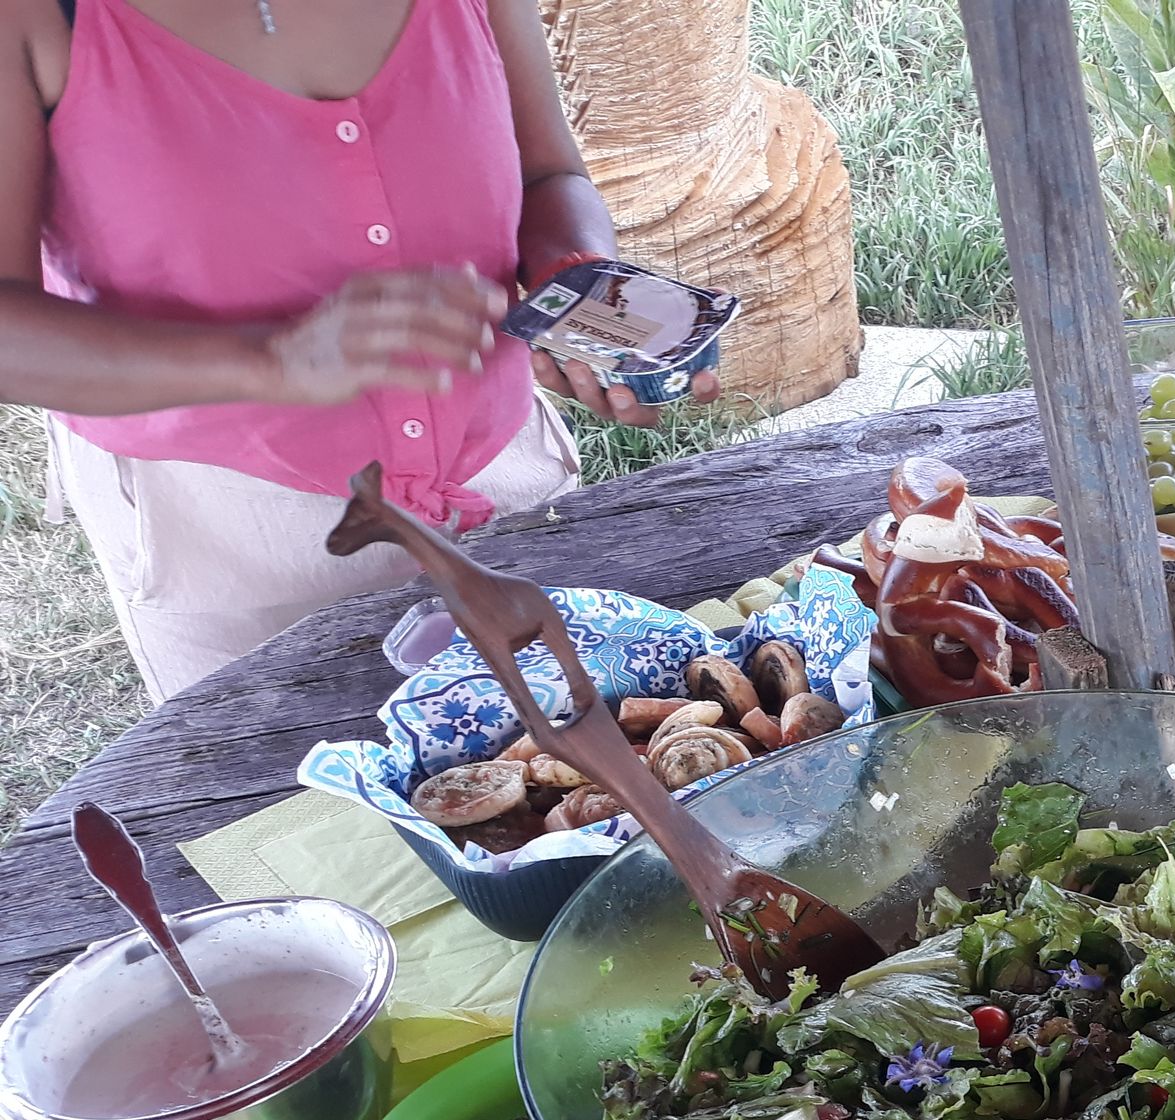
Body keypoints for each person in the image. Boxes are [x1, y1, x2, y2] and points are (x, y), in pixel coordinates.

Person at [0, 0, 718, 699]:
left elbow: (544, 174)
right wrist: (269, 360)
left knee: (584, 763)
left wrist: (583, 290)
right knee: (301, 809)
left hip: (503, 471)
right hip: (232, 530)